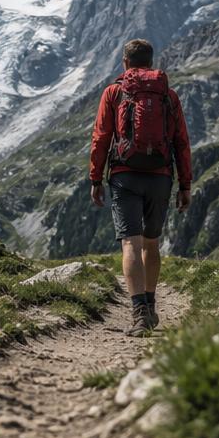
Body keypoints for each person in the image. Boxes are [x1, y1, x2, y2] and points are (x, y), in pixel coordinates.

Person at [89, 39, 192, 336]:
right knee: (151, 243)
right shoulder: (169, 96)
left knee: (130, 244)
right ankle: (151, 304)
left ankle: (139, 314)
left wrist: (96, 178)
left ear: (125, 63)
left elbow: (101, 138)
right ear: (150, 62)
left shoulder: (114, 92)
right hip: (160, 177)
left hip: (125, 176)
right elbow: (181, 143)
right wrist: (185, 185)